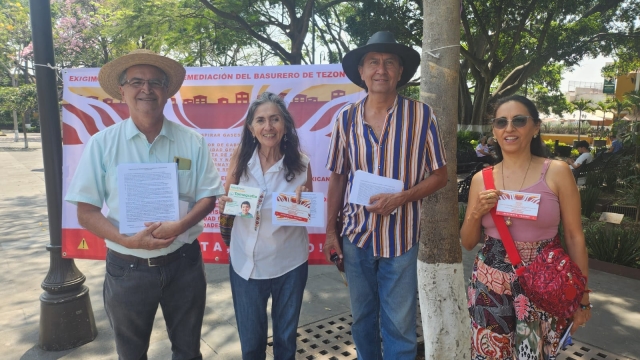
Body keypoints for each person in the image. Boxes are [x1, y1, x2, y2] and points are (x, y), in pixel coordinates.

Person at [65, 49, 225, 359]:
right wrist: (126, 239)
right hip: (128, 268)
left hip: (184, 264)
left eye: (155, 82)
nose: (146, 89)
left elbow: (208, 196)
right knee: (132, 354)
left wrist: (180, 226)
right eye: (136, 81)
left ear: (167, 91)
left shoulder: (192, 142)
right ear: (122, 91)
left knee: (189, 352)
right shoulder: (102, 144)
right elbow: (85, 210)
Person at [322, 31, 447, 359]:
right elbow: (336, 178)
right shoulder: (345, 118)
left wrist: (401, 198)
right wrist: (330, 232)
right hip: (356, 238)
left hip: (401, 240)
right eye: (373, 62)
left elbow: (440, 176)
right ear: (361, 72)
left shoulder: (422, 116)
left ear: (400, 73)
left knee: (400, 324)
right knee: (362, 319)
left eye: (390, 63)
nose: (381, 69)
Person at [460, 95, 591, 359]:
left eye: (519, 120)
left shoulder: (557, 172)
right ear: (494, 131)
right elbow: (467, 241)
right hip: (490, 284)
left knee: (535, 354)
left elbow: (575, 237)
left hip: (544, 281)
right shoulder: (480, 179)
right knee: (490, 353)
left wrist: (583, 298)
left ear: (535, 127)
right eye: (501, 122)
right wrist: (476, 213)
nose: (509, 128)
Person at [217, 92, 312, 360]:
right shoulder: (240, 157)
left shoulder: (302, 163)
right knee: (251, 345)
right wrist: (225, 203)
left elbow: (307, 210)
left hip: (289, 263)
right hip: (245, 263)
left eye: (274, 119)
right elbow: (228, 201)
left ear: (285, 126)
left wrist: (302, 205)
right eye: (260, 120)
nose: (267, 127)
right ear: (251, 128)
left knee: (285, 341)